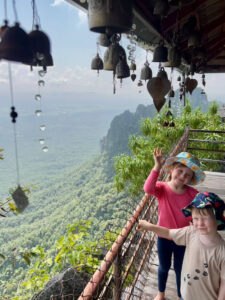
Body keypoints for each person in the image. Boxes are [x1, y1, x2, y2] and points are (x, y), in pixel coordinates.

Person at [143, 148, 205, 300]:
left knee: (180, 269)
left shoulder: (193, 194)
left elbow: (198, 213)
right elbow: (148, 188)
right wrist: (157, 166)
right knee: (163, 267)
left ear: (191, 179)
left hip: (183, 239)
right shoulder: (162, 188)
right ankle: (161, 293)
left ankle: (180, 295)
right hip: (163, 238)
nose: (182, 176)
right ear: (171, 169)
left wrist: (196, 224)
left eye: (187, 175)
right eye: (180, 171)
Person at [137, 192, 225, 300]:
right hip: (185, 295)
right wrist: (150, 226)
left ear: (218, 221)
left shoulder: (222, 251)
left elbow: (224, 283)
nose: (200, 223)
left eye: (205, 218)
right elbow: (168, 233)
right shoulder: (190, 233)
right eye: (196, 218)